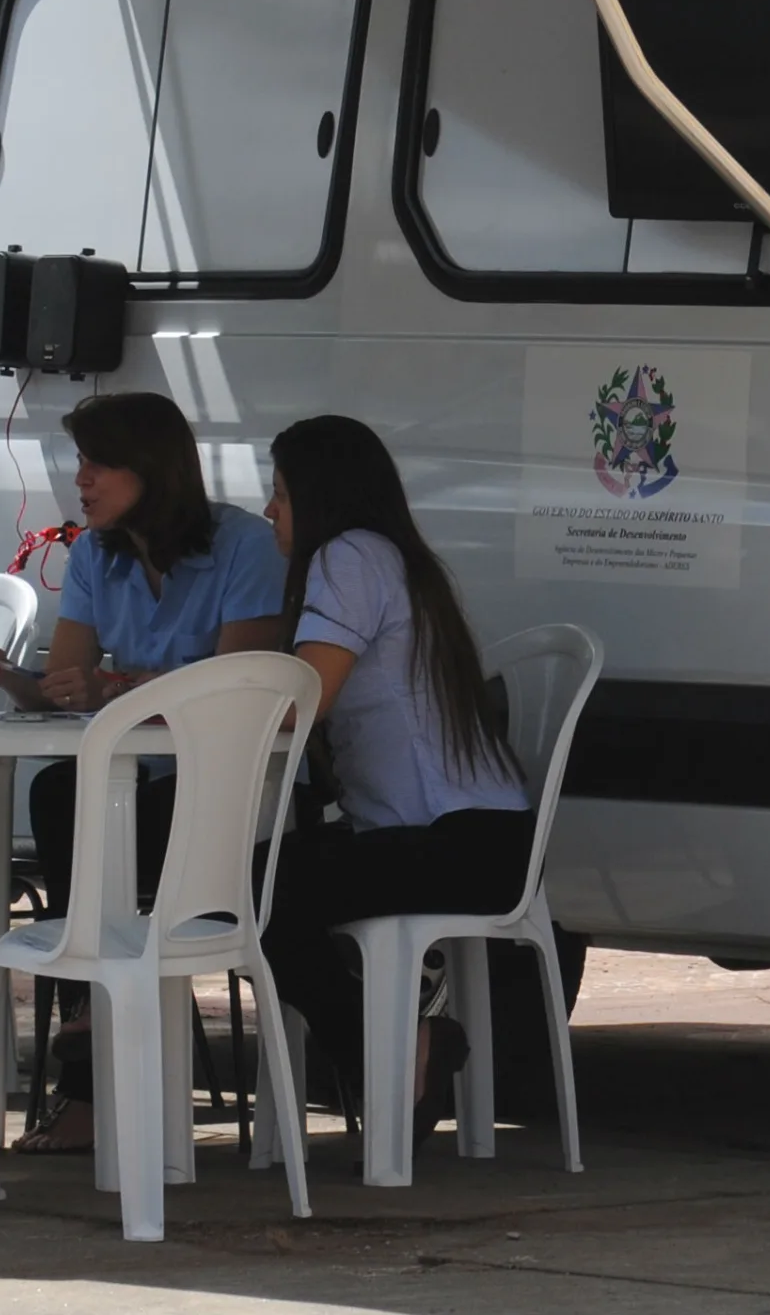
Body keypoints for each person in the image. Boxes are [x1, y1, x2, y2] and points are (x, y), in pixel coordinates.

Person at [0, 390, 280, 1153]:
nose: (82, 482)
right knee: (62, 788)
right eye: (80, 464)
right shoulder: (96, 553)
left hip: (226, 792)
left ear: (151, 471)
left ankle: (88, 1026)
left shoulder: (244, 546)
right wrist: (10, 679)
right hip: (134, 787)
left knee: (88, 804)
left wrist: (117, 689)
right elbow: (67, 687)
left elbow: (243, 687)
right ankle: (88, 1019)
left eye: (98, 465)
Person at [257, 414, 534, 1151]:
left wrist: (182, 696)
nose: (269, 511)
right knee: (263, 882)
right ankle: (394, 1057)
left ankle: (392, 1054)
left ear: (320, 496)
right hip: (479, 836)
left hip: (455, 842)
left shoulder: (348, 556)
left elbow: (303, 697)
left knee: (253, 891)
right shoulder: (393, 557)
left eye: (280, 492)